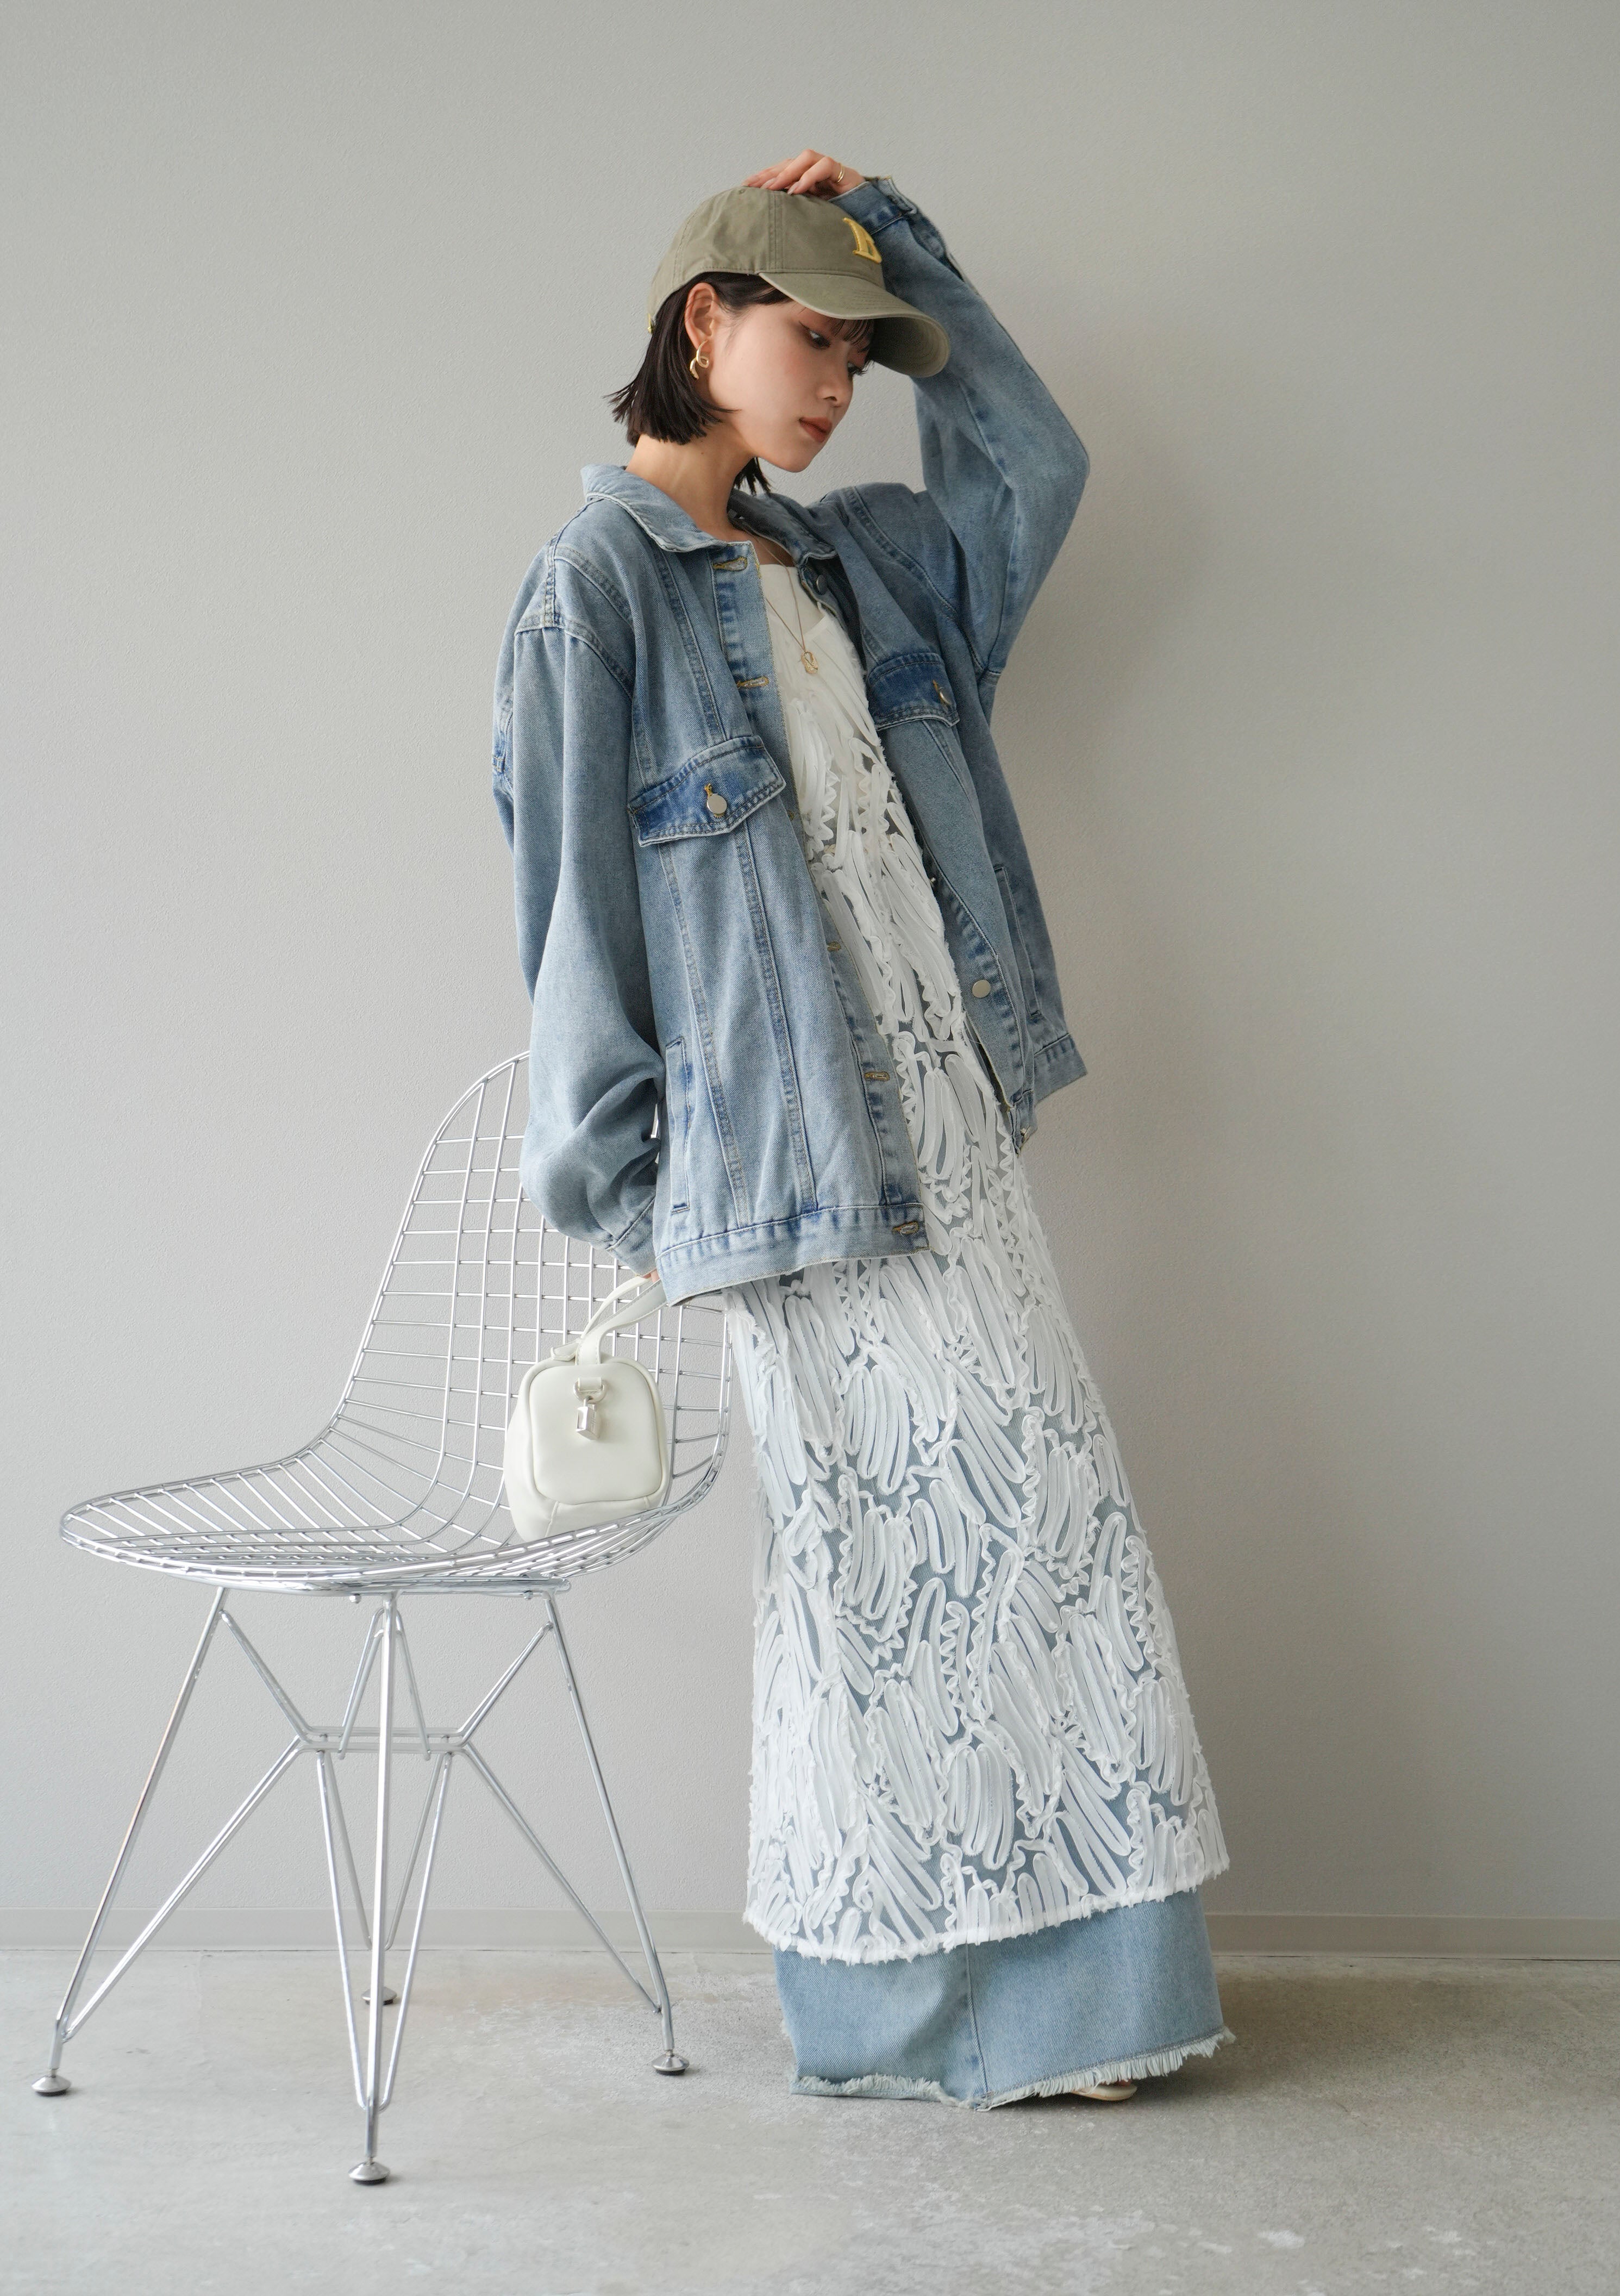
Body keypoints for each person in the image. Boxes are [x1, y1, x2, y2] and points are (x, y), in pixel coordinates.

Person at [492, 145, 1233, 2108]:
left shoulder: (861, 564)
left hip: (951, 1139)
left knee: (1034, 1541)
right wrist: (646, 1196)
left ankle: (1041, 2009)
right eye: (812, 336)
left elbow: (1035, 469)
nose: (837, 382)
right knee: (880, 1583)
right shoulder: (591, 595)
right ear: (702, 323)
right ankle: (922, 2014)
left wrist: (905, 246)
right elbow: (570, 924)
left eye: (859, 352)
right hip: (791, 1174)